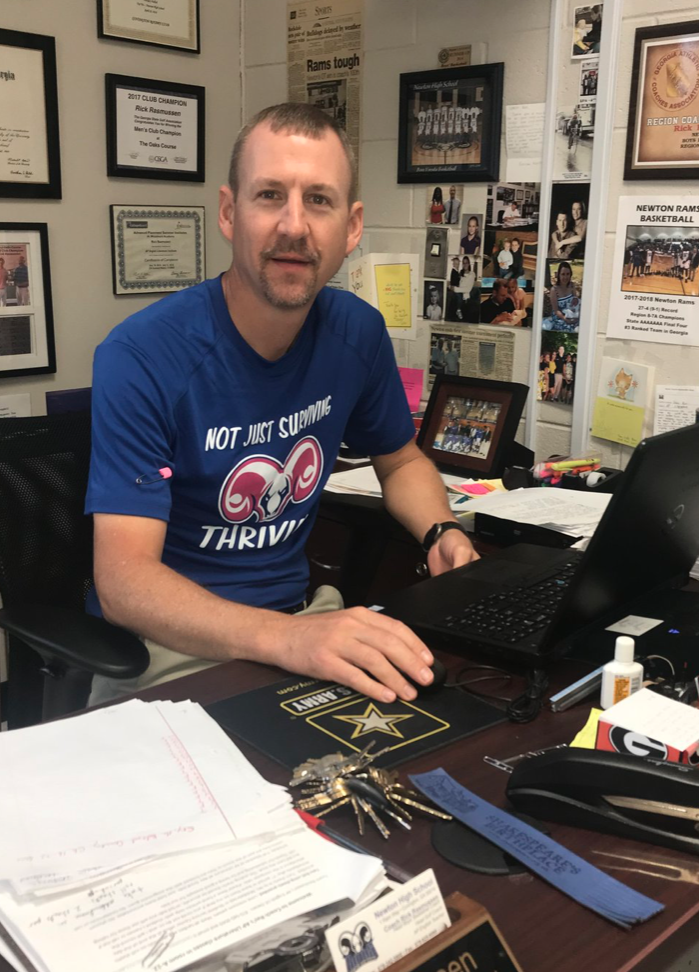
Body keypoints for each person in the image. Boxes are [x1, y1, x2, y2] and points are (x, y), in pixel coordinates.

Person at [87, 103, 477, 705]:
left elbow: (400, 462)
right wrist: (289, 640)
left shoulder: (358, 333)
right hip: (167, 650)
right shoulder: (142, 354)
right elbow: (123, 583)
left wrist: (440, 531)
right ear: (228, 213)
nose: (294, 225)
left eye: (318, 200)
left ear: (350, 228)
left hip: (298, 620)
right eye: (270, 195)